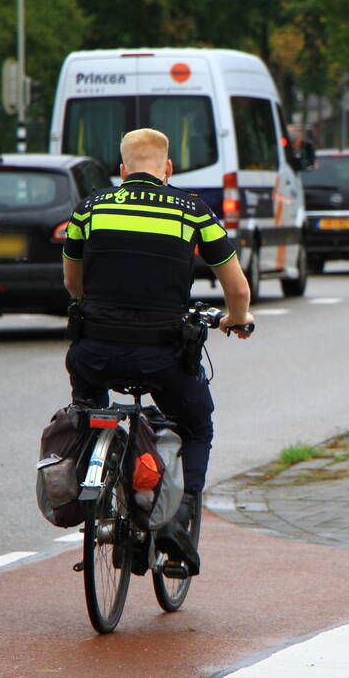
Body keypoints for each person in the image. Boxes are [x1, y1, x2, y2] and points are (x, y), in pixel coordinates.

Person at [62, 128, 254, 575]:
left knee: (89, 410)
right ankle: (176, 523)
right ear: (167, 169)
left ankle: (97, 479)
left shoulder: (89, 208)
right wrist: (237, 319)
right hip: (161, 356)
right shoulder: (193, 212)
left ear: (122, 169)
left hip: (96, 351)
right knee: (197, 425)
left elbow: (74, 285)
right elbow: (237, 288)